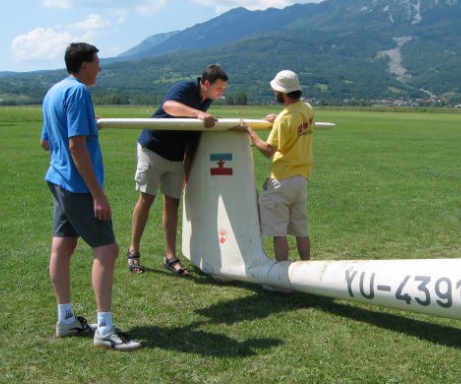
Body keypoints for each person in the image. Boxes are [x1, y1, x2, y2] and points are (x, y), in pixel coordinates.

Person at [41, 42, 141, 351]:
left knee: (63, 245)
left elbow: (47, 144)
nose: (99, 67)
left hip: (57, 180)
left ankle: (66, 319)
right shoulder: (79, 92)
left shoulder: (53, 92)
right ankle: (105, 330)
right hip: (78, 186)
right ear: (84, 65)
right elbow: (75, 146)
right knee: (108, 249)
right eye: (96, 62)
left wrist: (87, 124)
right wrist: (98, 194)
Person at [127, 64, 228, 275]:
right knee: (146, 198)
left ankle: (170, 257)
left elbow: (192, 138)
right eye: (219, 88)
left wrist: (187, 172)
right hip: (153, 148)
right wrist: (198, 113)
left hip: (175, 156)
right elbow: (169, 106)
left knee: (172, 203)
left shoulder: (206, 100)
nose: (222, 92)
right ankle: (133, 252)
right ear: (206, 83)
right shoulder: (186, 87)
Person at [233, 70, 314, 262]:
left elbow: (268, 150)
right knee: (301, 230)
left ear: (283, 93)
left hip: (282, 180)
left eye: (276, 90)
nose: (274, 93)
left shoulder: (285, 118)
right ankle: (308, 271)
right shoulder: (307, 109)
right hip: (301, 178)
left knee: (279, 232)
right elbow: (294, 118)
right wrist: (277, 118)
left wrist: (249, 131)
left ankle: (281, 278)